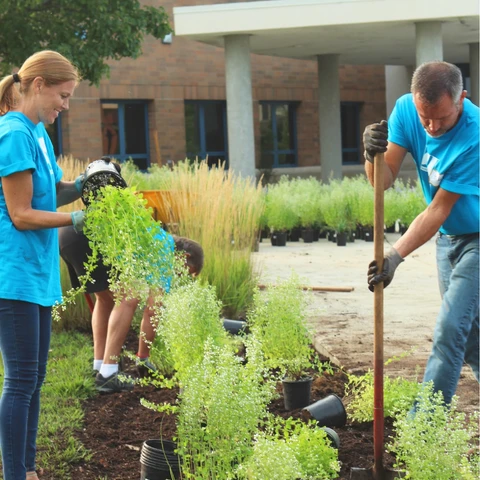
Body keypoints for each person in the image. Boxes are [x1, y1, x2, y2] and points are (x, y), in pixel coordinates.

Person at [363, 61, 479, 408]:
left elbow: (439, 208)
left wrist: (394, 256)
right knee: (471, 336)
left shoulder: (475, 134)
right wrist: (371, 154)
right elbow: (381, 182)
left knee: (449, 329)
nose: (431, 126)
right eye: (424, 116)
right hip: (448, 240)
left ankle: (423, 426)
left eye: (441, 118)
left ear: (462, 99)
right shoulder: (405, 110)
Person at [0, 50, 87, 480]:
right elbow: (21, 214)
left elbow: (49, 193)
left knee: (34, 380)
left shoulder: (38, 134)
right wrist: (76, 219)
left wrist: (87, 182)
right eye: (63, 96)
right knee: (20, 381)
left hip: (37, 274)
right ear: (38, 85)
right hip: (12, 275)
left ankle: (28, 469)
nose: (65, 106)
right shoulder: (13, 133)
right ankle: (17, 474)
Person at [59, 221, 204, 393]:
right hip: (89, 235)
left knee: (105, 299)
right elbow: (152, 311)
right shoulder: (164, 249)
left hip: (69, 233)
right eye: (184, 271)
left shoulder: (155, 235)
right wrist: (143, 357)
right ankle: (108, 374)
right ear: (184, 257)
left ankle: (100, 366)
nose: (178, 276)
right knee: (131, 295)